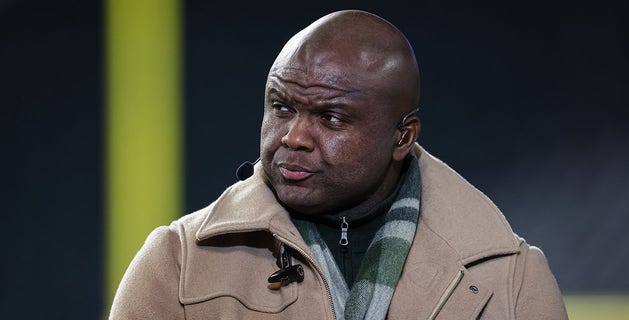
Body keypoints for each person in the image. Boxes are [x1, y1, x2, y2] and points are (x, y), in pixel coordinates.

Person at [109, 10, 567, 319]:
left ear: (402, 137)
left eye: (330, 117)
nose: (293, 137)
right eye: (281, 107)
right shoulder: (177, 262)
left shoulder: (511, 278)